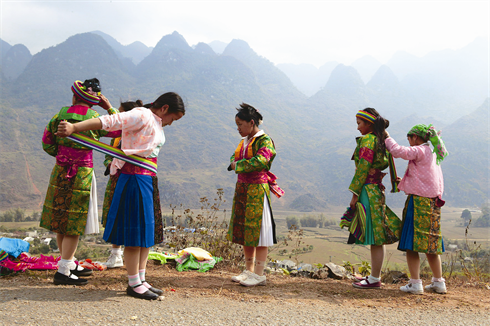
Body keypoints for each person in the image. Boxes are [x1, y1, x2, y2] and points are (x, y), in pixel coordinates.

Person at [55, 92, 185, 300]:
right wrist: (74, 128)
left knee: (145, 234)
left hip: (146, 179)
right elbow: (110, 121)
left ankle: (141, 279)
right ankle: (133, 283)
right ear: (165, 109)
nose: (171, 123)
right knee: (135, 235)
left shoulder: (154, 120)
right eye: (173, 119)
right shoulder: (142, 114)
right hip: (134, 178)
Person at [40, 78, 119, 286]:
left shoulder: (60, 115)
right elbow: (119, 130)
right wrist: (109, 108)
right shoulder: (95, 117)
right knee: (74, 223)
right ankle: (64, 270)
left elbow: (47, 142)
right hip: (81, 172)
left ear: (74, 96)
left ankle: (69, 262)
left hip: (60, 170)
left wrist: (62, 155)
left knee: (60, 219)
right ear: (93, 102)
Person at [385, 124, 448, 294]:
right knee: (431, 244)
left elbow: (398, 152)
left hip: (418, 203)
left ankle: (415, 283)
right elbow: (422, 179)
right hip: (433, 204)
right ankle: (438, 282)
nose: (409, 143)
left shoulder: (420, 150)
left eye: (409, 139)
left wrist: (386, 137)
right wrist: (403, 182)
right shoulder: (433, 153)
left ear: (415, 137)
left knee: (411, 243)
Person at [227, 103, 284, 287]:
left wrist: (239, 165)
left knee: (259, 232)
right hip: (243, 188)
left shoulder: (264, 140)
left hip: (257, 190)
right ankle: (248, 270)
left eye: (240, 124)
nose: (238, 128)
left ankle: (259, 274)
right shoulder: (245, 141)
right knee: (246, 230)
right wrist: (235, 163)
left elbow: (261, 160)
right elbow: (233, 158)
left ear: (251, 123)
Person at [347, 108, 402, 289]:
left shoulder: (368, 140)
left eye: (359, 124)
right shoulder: (380, 140)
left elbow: (363, 168)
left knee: (375, 236)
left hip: (368, 191)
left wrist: (354, 195)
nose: (357, 128)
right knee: (376, 235)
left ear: (369, 124)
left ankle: (374, 278)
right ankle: (373, 277)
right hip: (376, 190)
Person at [101, 100, 143, 269]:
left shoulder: (136, 135)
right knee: (115, 213)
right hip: (115, 179)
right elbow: (108, 156)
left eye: (121, 113)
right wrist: (110, 164)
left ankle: (130, 257)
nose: (118, 116)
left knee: (129, 216)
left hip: (130, 179)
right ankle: (115, 253)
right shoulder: (117, 136)